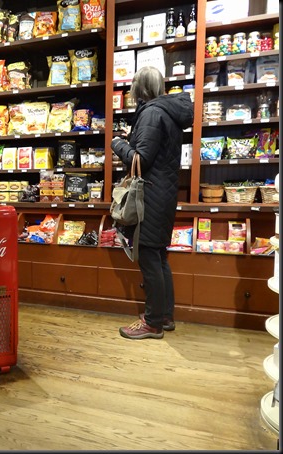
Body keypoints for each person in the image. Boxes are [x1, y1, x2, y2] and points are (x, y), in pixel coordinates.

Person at [111, 66, 194, 340]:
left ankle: (152, 323)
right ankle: (165, 316)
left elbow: (141, 159)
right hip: (164, 194)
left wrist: (118, 144)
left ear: (140, 88)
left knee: (148, 256)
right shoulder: (168, 112)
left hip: (149, 196)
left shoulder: (151, 113)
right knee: (159, 257)